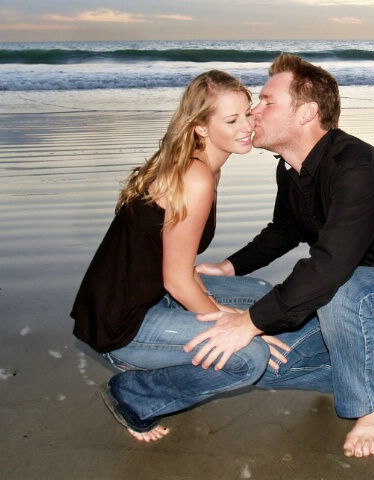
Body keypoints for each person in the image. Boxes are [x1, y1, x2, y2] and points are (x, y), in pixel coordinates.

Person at [193, 53, 374, 457]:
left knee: (334, 291)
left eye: (266, 102)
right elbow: (286, 228)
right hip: (339, 300)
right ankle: (351, 372)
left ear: (307, 113)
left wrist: (248, 322)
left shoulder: (358, 168)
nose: (253, 113)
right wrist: (229, 267)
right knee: (258, 357)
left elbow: (330, 267)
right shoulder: (290, 168)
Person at [70, 70, 289, 442]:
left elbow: (167, 263)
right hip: (123, 323)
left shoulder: (201, 164)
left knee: (260, 294)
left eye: (247, 113)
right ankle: (135, 395)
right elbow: (176, 279)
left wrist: (227, 310)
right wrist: (230, 321)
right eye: (231, 119)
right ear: (201, 127)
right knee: (248, 356)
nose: (247, 126)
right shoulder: (195, 176)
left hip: (152, 297)